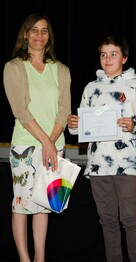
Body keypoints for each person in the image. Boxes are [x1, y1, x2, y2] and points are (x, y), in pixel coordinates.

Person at [67, 35, 136, 262]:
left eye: (113, 54)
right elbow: (80, 128)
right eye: (103, 54)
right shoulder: (91, 88)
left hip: (127, 165)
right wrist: (74, 125)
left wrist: (135, 125)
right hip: (98, 165)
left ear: (125, 57)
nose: (108, 58)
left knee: (130, 218)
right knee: (107, 220)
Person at [3, 13, 71, 262]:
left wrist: (51, 144)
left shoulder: (61, 70)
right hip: (26, 146)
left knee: (44, 204)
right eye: (34, 30)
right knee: (21, 203)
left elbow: (64, 111)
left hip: (55, 146)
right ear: (25, 34)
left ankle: (40, 257)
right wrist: (45, 143)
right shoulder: (13, 67)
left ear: (49, 36)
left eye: (44, 30)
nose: (39, 35)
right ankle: (24, 258)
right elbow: (21, 110)